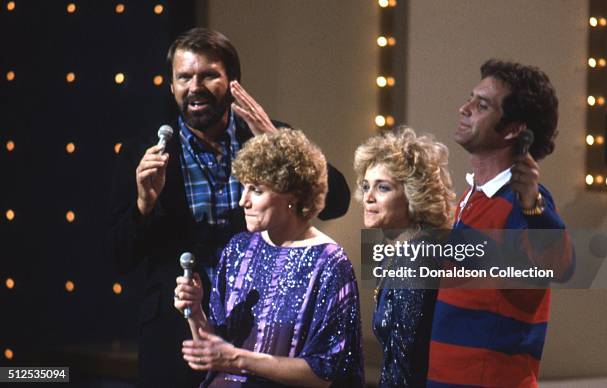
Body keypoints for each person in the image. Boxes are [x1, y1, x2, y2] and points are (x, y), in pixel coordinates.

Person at [105, 28, 350, 388]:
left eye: (208, 75)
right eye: (184, 77)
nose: (195, 87)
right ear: (172, 86)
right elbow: (116, 257)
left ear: (233, 82)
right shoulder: (144, 153)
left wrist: (277, 141)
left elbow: (338, 201)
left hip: (260, 327)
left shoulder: (266, 137)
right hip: (175, 336)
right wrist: (144, 204)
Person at [174, 129, 364, 387]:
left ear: (293, 195)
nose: (243, 201)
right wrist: (195, 312)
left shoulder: (330, 263)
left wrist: (239, 359)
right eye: (243, 187)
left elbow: (324, 374)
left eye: (256, 190)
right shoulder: (238, 249)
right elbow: (216, 348)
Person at [427, 59, 575, 387]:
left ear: (512, 130)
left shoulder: (524, 203)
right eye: (470, 99)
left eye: (481, 105)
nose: (463, 109)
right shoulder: (466, 200)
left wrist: (534, 207)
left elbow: (563, 266)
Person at [353, 127, 455, 387]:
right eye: (366, 186)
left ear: (413, 194)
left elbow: (408, 364)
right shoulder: (399, 252)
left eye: (383, 188)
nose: (369, 198)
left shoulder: (416, 257)